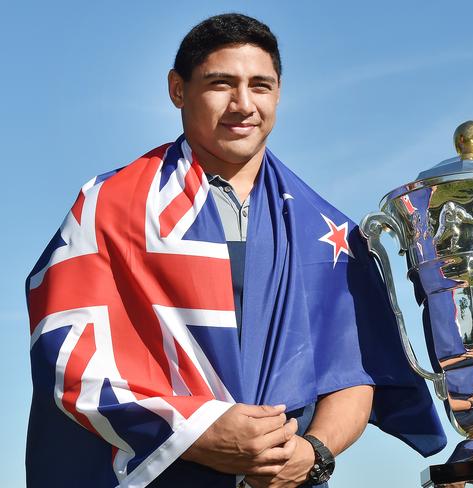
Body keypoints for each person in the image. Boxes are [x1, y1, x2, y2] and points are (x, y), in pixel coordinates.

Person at [26, 13, 446, 488]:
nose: (242, 105)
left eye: (260, 86)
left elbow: (353, 371)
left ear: (279, 92)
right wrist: (196, 433)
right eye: (220, 84)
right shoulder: (109, 208)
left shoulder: (327, 233)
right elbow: (67, 353)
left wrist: (314, 452)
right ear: (177, 90)